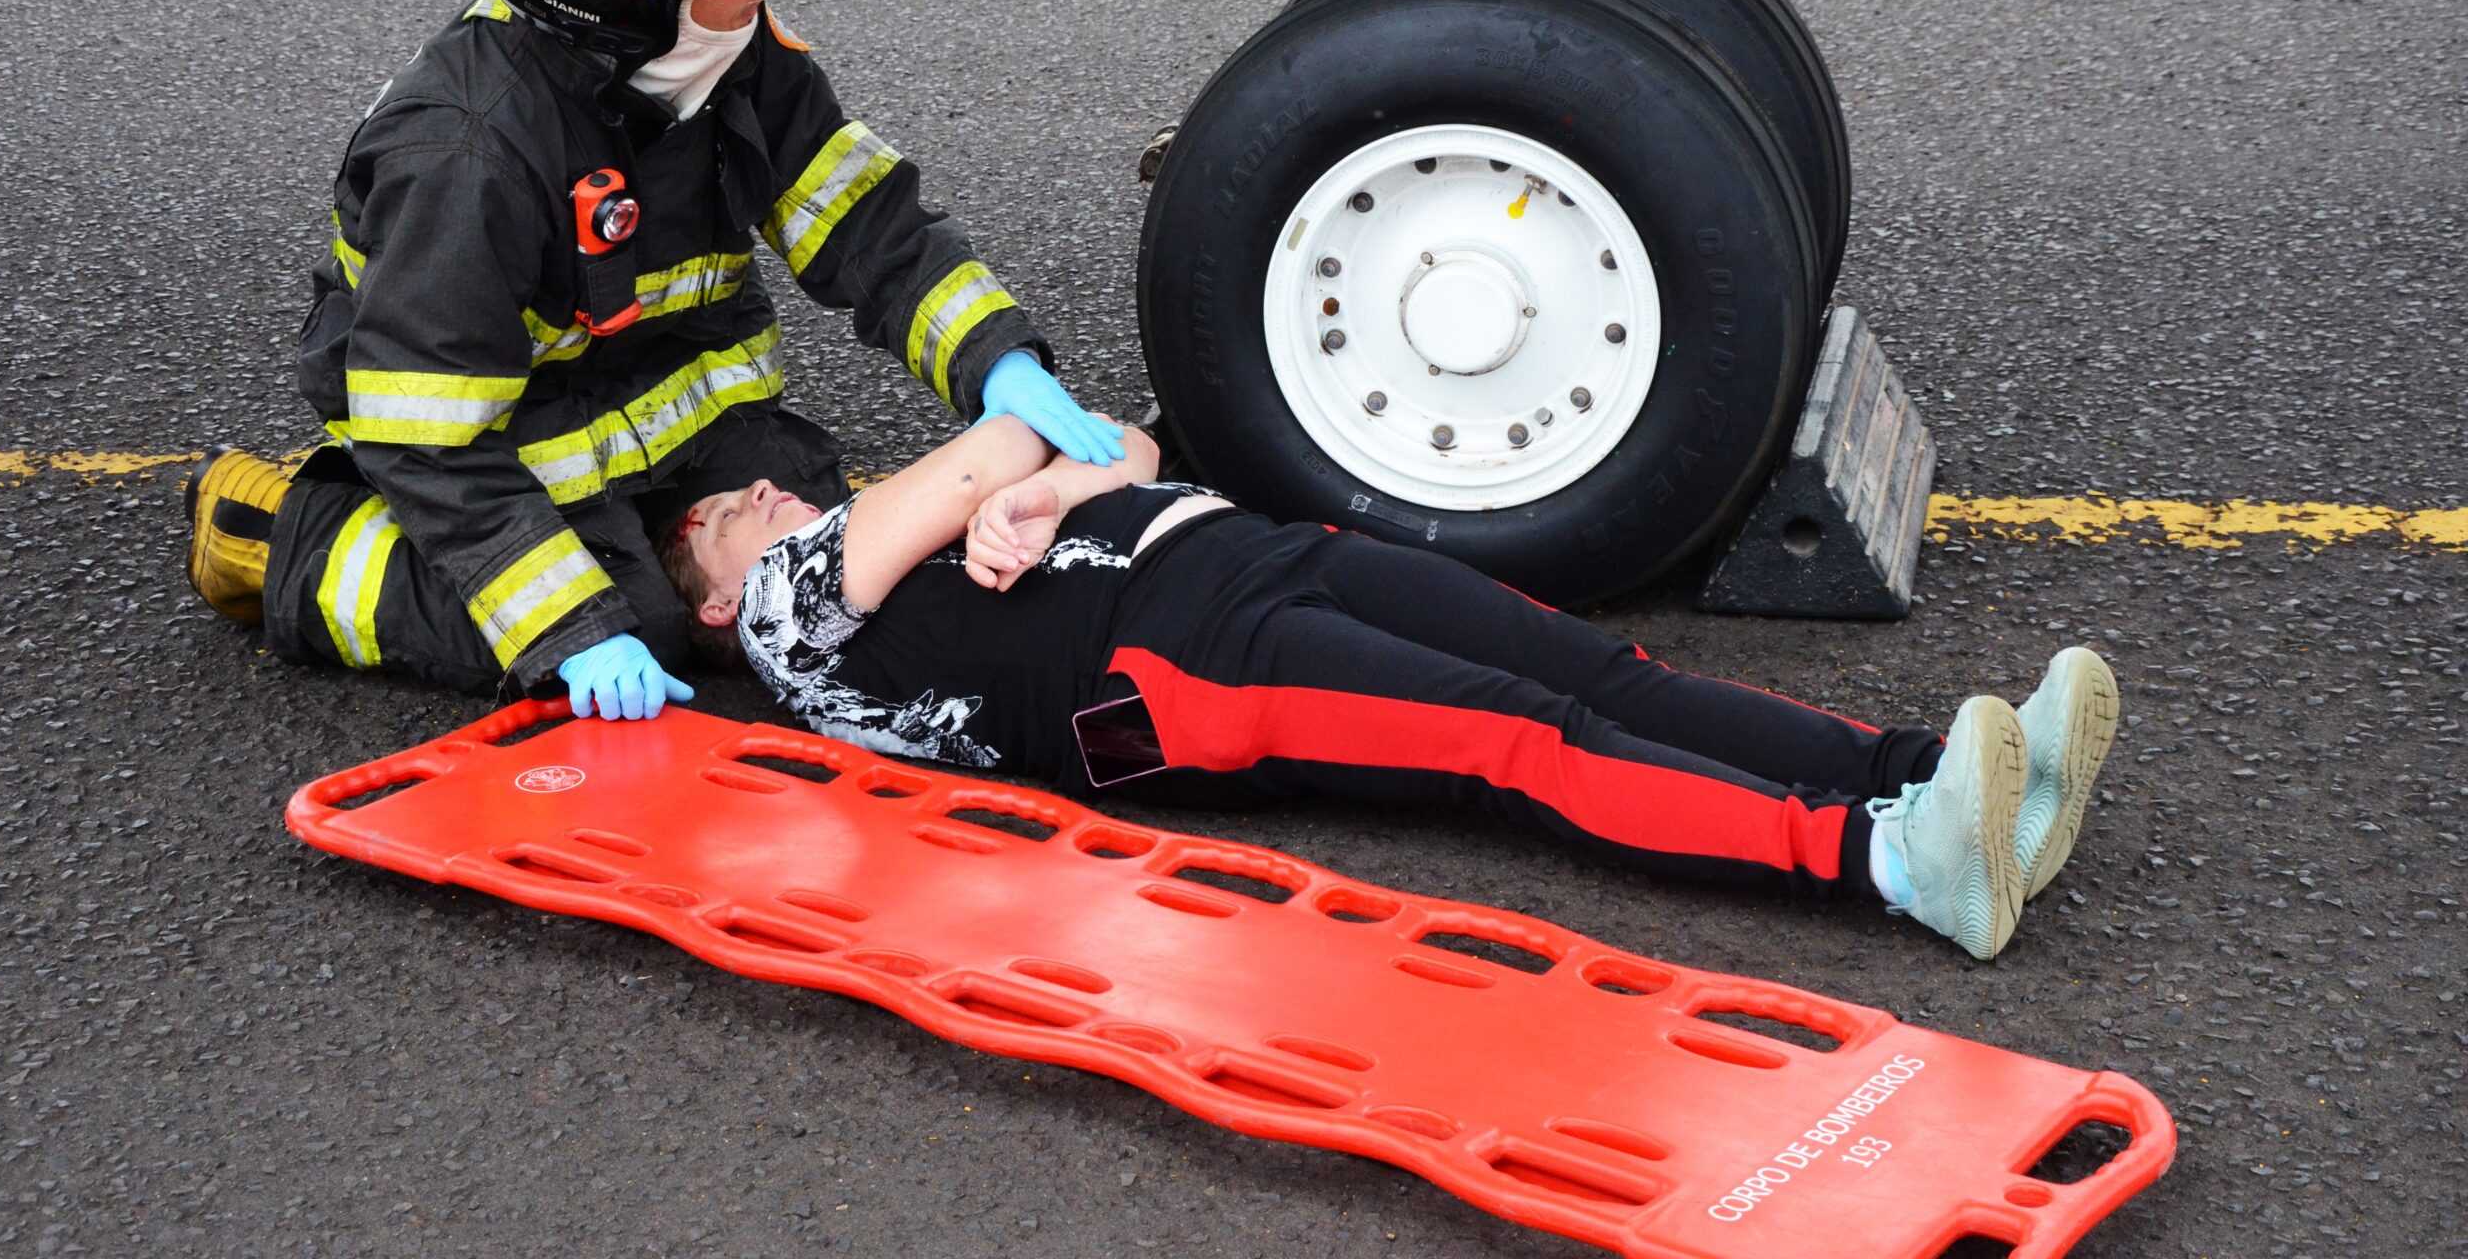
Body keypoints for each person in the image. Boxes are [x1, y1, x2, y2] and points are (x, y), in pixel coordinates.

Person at [183, 0, 1121, 722]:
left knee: (799, 577)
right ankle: (279, 538)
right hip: (506, 436)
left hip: (670, 409)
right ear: (627, 5)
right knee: (624, 618)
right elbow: (427, 436)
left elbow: (866, 224)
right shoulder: (465, 157)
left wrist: (997, 362)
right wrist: (573, 630)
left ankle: (616, 555)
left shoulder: (723, 53)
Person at [657, 417, 2122, 961]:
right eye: (731, 511)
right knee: (1524, 741)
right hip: (1171, 674)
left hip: (1240, 553)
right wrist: (1021, 472)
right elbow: (998, 439)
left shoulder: (878, 533)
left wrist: (1061, 481)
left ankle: (1931, 776)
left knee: (1602, 669)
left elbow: (1114, 443)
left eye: (770, 482)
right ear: (717, 599)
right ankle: (1889, 866)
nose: (770, 490)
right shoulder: (791, 621)